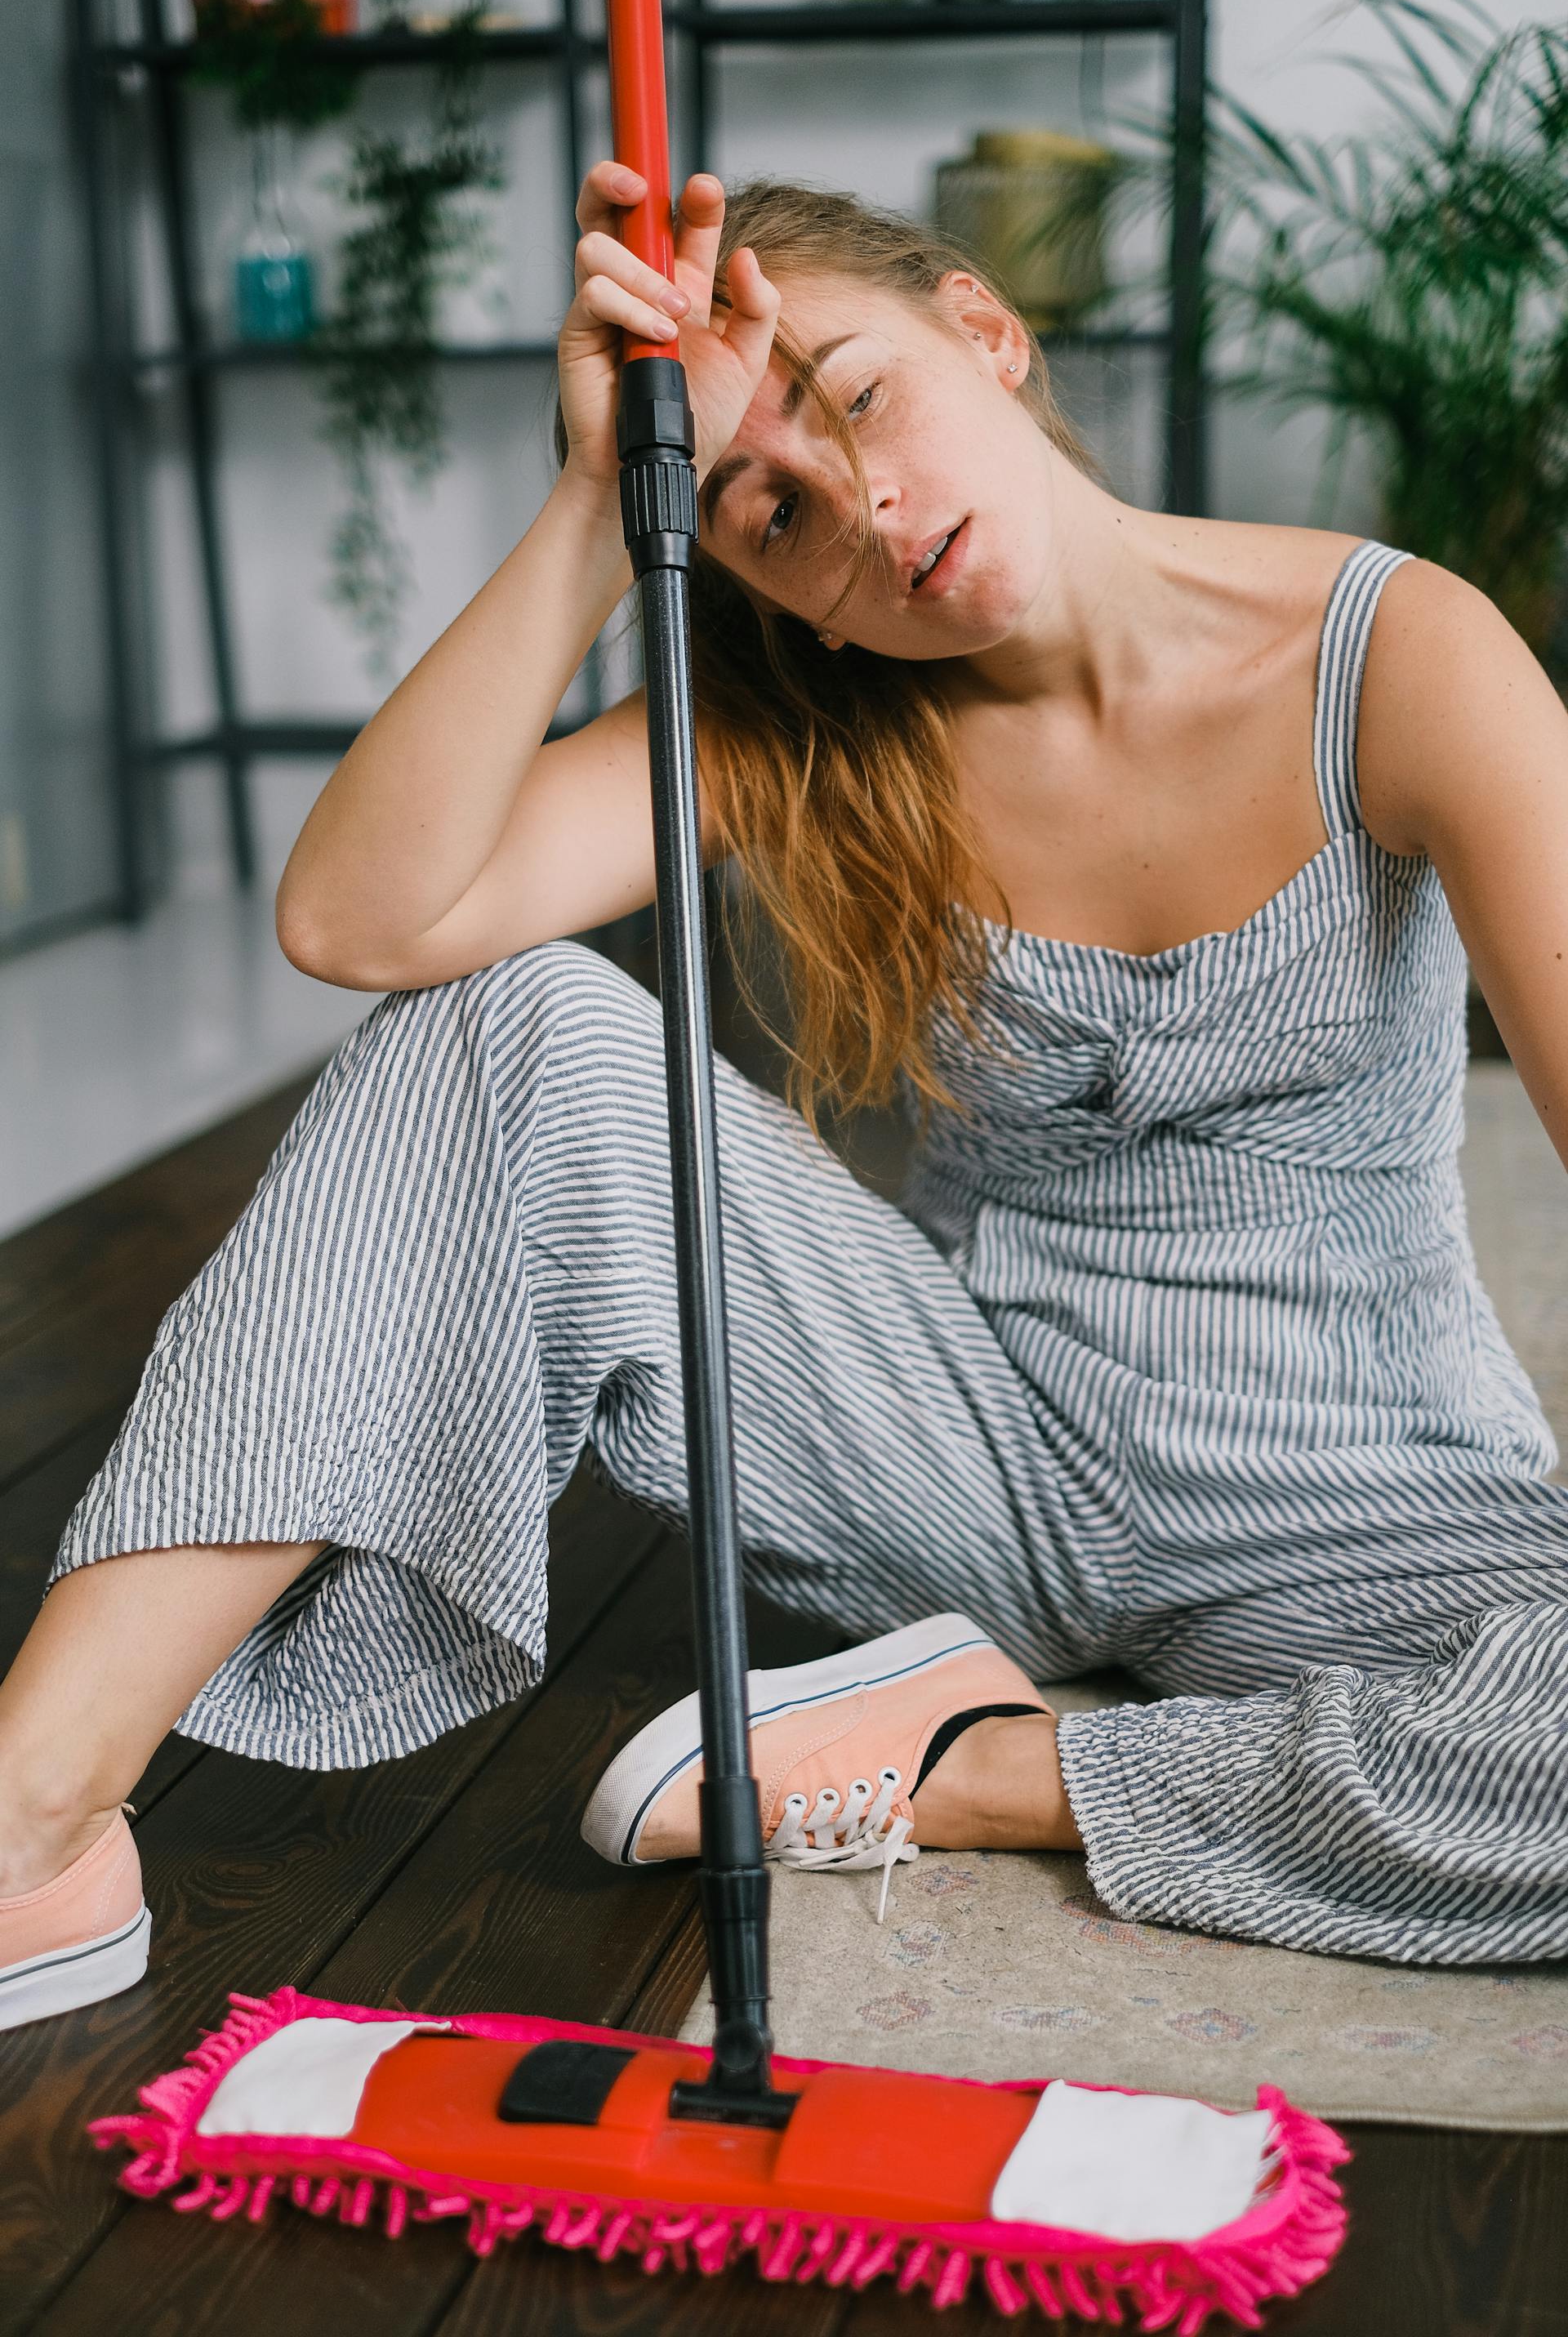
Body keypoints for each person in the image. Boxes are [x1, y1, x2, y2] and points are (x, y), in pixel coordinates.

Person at [4, 159, 1568, 2032]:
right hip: (973, 1455)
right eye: (771, 510)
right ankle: (35, 1828)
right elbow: (362, 918)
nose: (864, 507)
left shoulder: (1401, 655)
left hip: (1367, 1508)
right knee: (508, 1027)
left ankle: (983, 1768)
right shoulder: (804, 728)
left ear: (983, 329)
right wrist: (603, 500)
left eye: (860, 397)